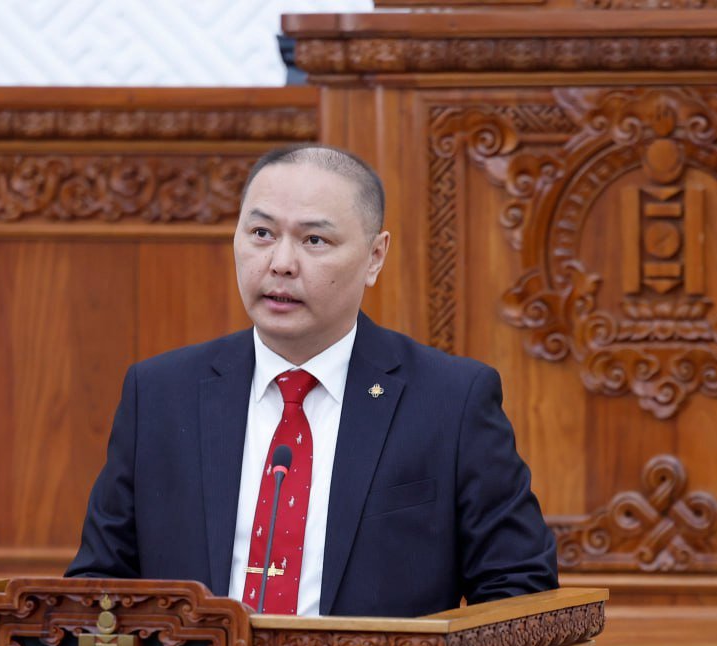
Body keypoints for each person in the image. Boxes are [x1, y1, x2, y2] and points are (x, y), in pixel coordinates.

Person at [66, 144, 557, 617]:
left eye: (314, 240)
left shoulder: (450, 401)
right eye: (261, 233)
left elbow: (518, 592)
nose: (280, 263)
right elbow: (99, 586)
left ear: (375, 256)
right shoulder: (159, 394)